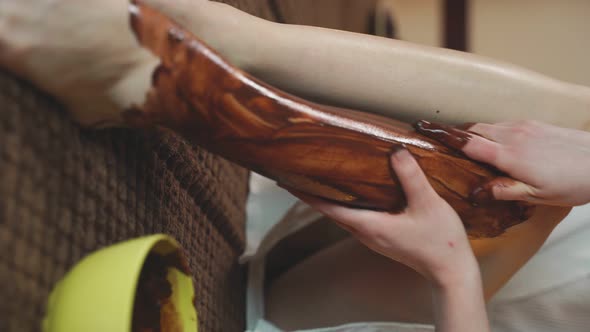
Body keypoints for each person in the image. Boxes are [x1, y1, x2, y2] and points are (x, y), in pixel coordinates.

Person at [1, 0, 589, 331]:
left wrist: (451, 273)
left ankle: (183, 81)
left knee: (518, 200)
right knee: (570, 147)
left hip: (370, 310)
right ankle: (220, 47)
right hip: (317, 244)